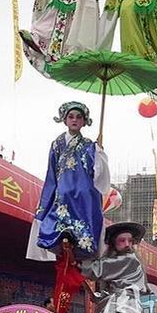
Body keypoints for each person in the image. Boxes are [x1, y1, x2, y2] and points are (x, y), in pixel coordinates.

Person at [26, 102, 110, 261]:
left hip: (83, 196)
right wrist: (44, 204)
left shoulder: (89, 145)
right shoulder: (57, 144)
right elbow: (51, 174)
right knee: (55, 231)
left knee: (82, 237)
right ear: (64, 120)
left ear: (84, 122)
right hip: (63, 194)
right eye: (71, 116)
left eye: (79, 117)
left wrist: (99, 154)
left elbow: (98, 174)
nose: (74, 120)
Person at [81, 222, 148, 313]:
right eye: (122, 240)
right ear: (113, 243)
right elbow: (109, 290)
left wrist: (78, 252)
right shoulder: (117, 261)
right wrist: (97, 296)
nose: (127, 245)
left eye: (130, 241)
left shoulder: (130, 260)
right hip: (113, 305)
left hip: (124, 306)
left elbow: (92, 270)